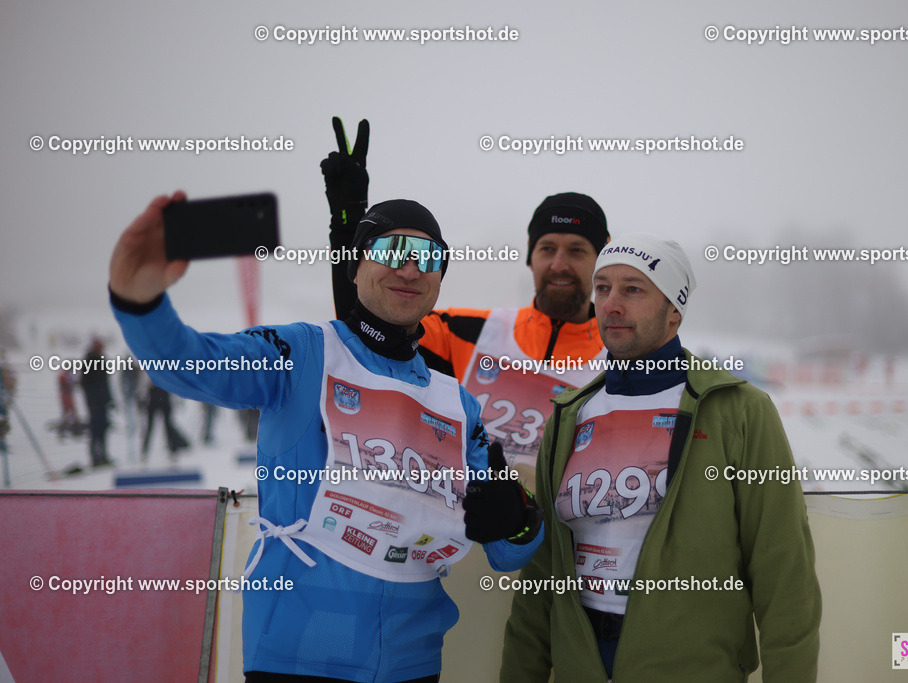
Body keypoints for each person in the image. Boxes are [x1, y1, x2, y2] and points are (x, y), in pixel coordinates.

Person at [109, 192, 543, 682]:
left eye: (427, 257)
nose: (409, 268)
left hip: (413, 663)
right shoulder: (303, 354)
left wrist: (517, 516)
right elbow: (190, 364)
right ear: (356, 265)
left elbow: (510, 553)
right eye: (390, 251)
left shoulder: (457, 404)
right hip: (298, 657)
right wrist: (139, 301)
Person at [501, 234, 821, 682]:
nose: (611, 304)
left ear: (675, 310)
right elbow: (540, 581)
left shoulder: (738, 410)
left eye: (633, 289)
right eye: (603, 287)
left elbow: (784, 573)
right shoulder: (569, 414)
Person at [323, 118, 607, 473]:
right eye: (547, 249)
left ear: (601, 259)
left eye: (577, 251)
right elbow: (367, 329)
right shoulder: (465, 331)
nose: (559, 264)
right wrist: (349, 225)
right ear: (529, 256)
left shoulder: (623, 362)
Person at [79, 337, 113, 466]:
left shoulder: (102, 360)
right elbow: (84, 383)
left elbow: (106, 383)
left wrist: (109, 399)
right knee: (95, 431)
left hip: (102, 401)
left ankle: (103, 456)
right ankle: (95, 458)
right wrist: (91, 400)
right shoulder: (88, 361)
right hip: (94, 402)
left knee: (103, 429)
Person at [140, 379, 189, 459]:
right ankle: (145, 450)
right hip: (154, 396)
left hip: (164, 395)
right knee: (151, 426)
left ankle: (172, 449)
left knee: (168, 425)